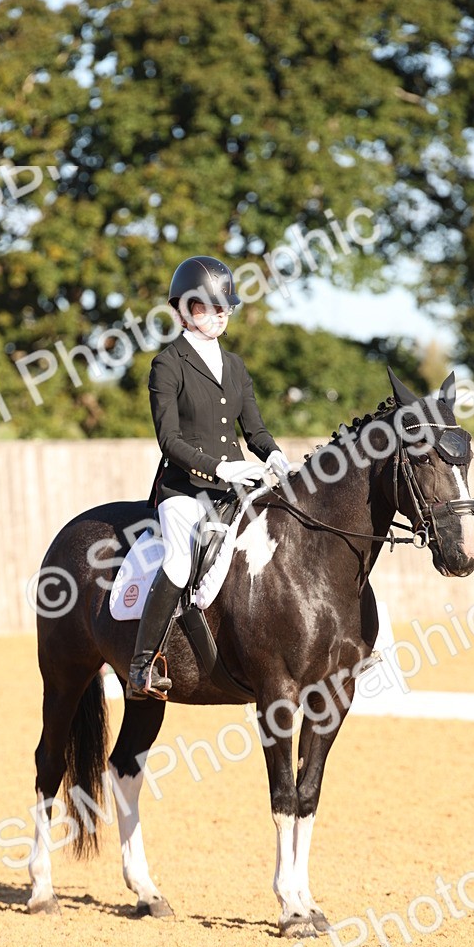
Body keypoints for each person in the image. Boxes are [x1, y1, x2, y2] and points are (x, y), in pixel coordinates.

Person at [126, 255, 292, 700]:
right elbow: (169, 440)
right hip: (184, 487)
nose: (217, 316)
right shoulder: (168, 364)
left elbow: (253, 430)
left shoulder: (235, 366)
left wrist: (275, 456)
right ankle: (141, 667)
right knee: (180, 560)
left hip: (238, 484)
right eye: (205, 307)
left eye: (224, 307)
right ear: (182, 310)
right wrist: (218, 467)